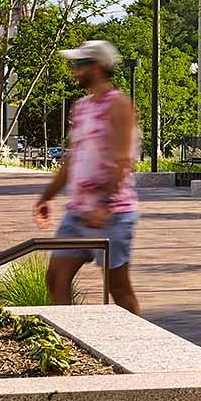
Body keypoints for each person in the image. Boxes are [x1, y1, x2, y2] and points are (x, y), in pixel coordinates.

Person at [32, 40, 142, 314]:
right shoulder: (81, 107)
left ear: (96, 67)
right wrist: (47, 197)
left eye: (78, 65)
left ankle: (141, 337)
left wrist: (104, 205)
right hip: (77, 213)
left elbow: (123, 160)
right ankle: (69, 336)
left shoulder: (119, 105)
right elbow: (73, 158)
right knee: (56, 279)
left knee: (118, 288)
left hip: (112, 214)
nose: (74, 71)